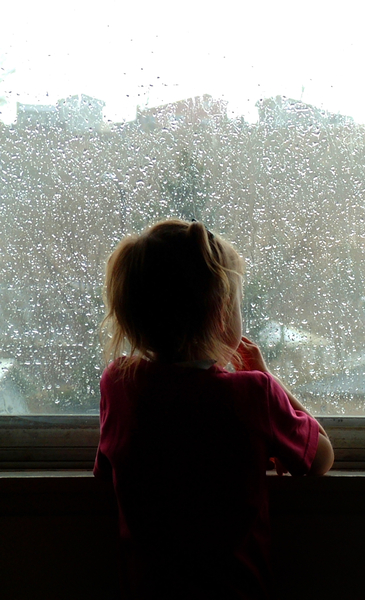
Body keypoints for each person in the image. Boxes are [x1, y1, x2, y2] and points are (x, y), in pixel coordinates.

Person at [93, 219, 334, 599]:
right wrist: (268, 377)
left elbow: (107, 471)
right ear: (221, 312)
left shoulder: (118, 385)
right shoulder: (252, 393)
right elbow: (321, 457)